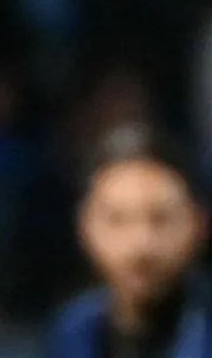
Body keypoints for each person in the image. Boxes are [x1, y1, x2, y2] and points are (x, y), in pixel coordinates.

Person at [47, 123, 211, 358]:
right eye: (117, 220)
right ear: (84, 225)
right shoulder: (70, 332)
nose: (141, 243)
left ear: (199, 224)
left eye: (161, 219)